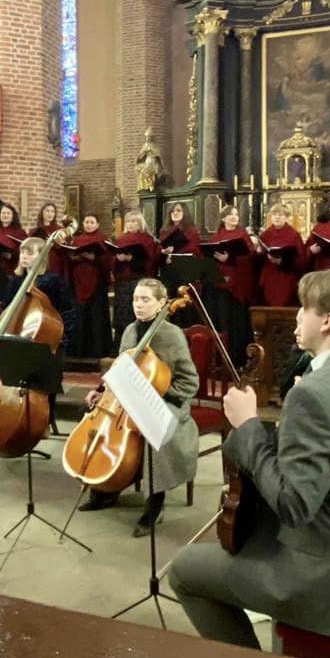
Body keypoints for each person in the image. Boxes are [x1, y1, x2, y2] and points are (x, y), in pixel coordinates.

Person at [168, 268, 330, 648]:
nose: (297, 315)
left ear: (327, 321)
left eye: (304, 307)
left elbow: (294, 504)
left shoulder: (314, 393)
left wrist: (247, 425)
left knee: (185, 570)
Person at [77, 279, 199, 535]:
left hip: (166, 401)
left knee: (154, 430)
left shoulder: (172, 335)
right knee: (97, 421)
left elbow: (190, 382)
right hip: (128, 399)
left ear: (161, 303)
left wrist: (157, 390)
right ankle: (107, 487)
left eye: (146, 299)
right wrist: (101, 391)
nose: (139, 305)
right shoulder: (130, 331)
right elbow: (120, 368)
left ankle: (156, 503)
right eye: (135, 299)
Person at [0, 237, 79, 399]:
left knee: (43, 389)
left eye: (30, 253)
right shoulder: (15, 281)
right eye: (22, 252)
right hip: (19, 338)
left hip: (45, 341)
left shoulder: (52, 281)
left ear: (42, 257)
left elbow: (67, 310)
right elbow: (6, 310)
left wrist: (61, 337)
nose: (24, 256)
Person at [202, 204, 258, 358]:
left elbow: (250, 258)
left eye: (236, 214)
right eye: (230, 214)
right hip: (220, 285)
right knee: (221, 321)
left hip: (238, 284)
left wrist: (230, 259)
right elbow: (209, 260)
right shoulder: (216, 236)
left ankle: (237, 357)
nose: (234, 217)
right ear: (223, 218)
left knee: (237, 322)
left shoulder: (243, 235)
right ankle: (220, 357)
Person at [109, 210, 160, 346]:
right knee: (122, 316)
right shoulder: (120, 239)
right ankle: (121, 346)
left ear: (140, 223)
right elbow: (112, 260)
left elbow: (151, 261)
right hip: (123, 283)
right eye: (129, 222)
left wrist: (131, 258)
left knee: (139, 314)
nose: (131, 224)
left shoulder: (148, 240)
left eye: (134, 221)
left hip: (140, 282)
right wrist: (117, 259)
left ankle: (141, 346)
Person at [65, 214, 112, 359]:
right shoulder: (77, 240)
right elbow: (69, 259)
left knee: (96, 317)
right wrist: (74, 258)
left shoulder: (102, 239)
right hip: (78, 282)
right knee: (79, 316)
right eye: (86, 222)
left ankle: (97, 351)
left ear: (97, 224)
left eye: (92, 222)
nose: (89, 225)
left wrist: (94, 258)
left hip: (97, 284)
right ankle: (79, 351)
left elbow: (108, 261)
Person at [257, 203, 305, 307]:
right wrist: (259, 252)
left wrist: (282, 261)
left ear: (286, 217)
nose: (277, 217)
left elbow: (301, 259)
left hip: (286, 277)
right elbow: (258, 261)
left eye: (281, 215)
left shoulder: (294, 235)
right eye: (274, 214)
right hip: (269, 276)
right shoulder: (265, 235)